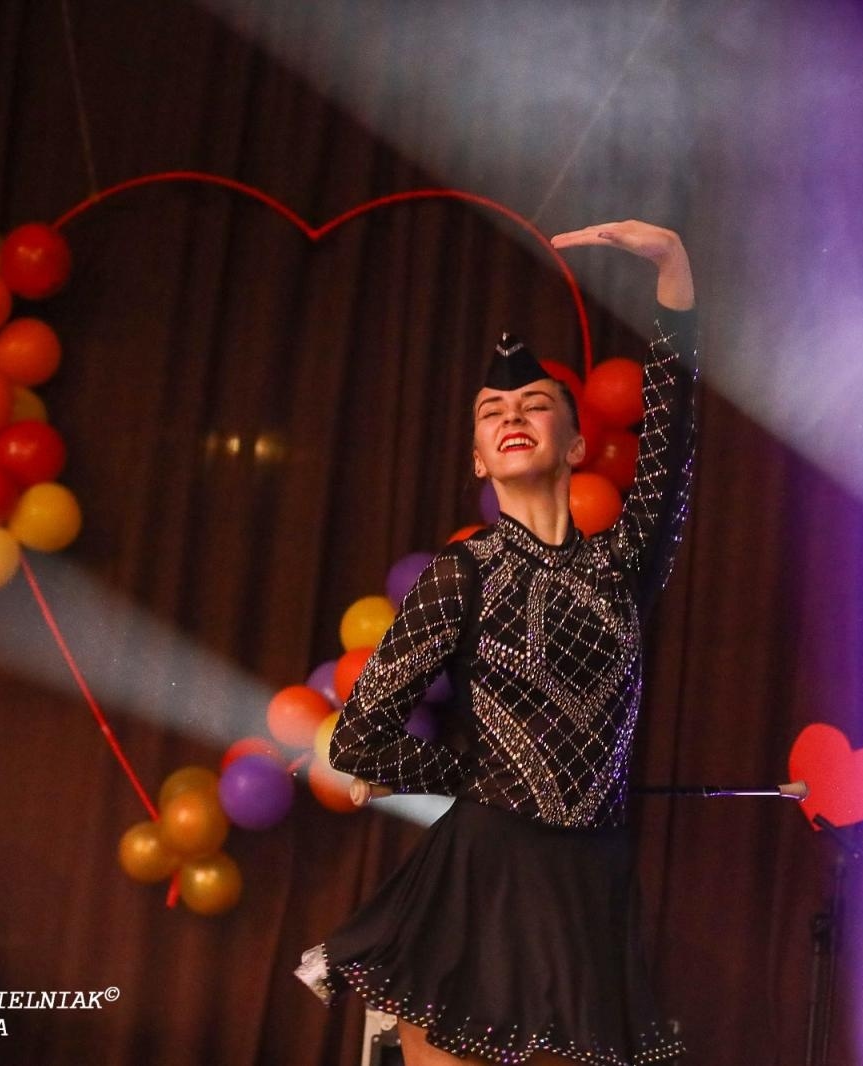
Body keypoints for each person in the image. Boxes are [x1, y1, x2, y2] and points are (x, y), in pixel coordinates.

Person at [296, 219, 697, 1066]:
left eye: (534, 404)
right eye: (493, 412)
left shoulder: (624, 562)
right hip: (483, 878)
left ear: (578, 443)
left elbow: (672, 435)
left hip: (593, 884)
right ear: (478, 458)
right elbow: (362, 737)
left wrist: (672, 271)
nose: (512, 415)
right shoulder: (464, 572)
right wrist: (479, 779)